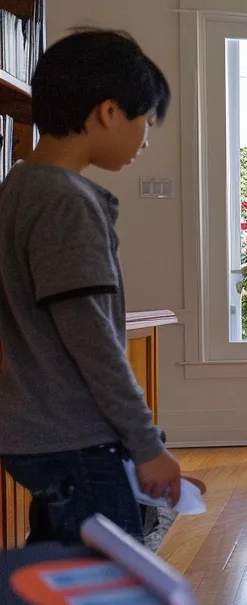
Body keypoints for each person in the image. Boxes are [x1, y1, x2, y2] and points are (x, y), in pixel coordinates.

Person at [0, 30, 180, 543]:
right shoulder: (65, 202)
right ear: (108, 111)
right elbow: (94, 341)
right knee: (107, 597)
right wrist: (147, 445)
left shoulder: (16, 188)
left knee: (60, 578)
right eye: (145, 120)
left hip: (35, 434)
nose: (145, 139)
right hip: (77, 438)